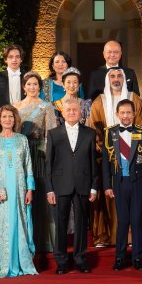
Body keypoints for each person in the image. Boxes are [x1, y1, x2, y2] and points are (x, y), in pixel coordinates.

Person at [0, 105, 37, 278]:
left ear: (15, 119)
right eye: (4, 117)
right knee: (1, 225)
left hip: (19, 191)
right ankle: (2, 262)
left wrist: (30, 189)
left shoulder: (22, 140)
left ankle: (20, 262)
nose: (7, 120)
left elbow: (28, 166)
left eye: (10, 116)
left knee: (19, 223)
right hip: (0, 191)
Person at [45, 97, 98, 273]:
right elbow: (49, 163)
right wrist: (49, 189)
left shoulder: (90, 133)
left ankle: (80, 259)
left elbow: (93, 162)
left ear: (81, 112)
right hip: (60, 184)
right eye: (68, 110)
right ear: (63, 113)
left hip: (83, 184)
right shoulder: (53, 134)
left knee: (82, 223)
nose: (72, 112)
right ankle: (61, 261)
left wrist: (94, 186)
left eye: (75, 109)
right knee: (60, 224)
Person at [101, 98, 142, 271]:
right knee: (122, 221)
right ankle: (120, 258)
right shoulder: (110, 133)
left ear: (134, 114)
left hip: (138, 183)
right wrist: (107, 185)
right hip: (118, 183)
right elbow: (105, 163)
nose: (126, 116)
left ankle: (137, 258)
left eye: (129, 112)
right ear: (117, 114)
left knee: (136, 221)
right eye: (122, 112)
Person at [16, 72, 61, 253]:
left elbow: (51, 133)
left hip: (39, 155)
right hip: (20, 154)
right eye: (29, 84)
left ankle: (43, 240)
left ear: (40, 87)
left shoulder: (46, 106)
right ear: (24, 87)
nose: (32, 87)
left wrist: (49, 156)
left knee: (40, 195)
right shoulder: (16, 106)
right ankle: (23, 240)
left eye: (35, 84)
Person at [87, 67, 129, 247]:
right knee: (106, 195)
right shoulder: (99, 102)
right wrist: (105, 148)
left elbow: (141, 125)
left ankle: (129, 236)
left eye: (119, 76)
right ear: (107, 79)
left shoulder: (134, 99)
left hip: (130, 156)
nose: (116, 79)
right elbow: (94, 129)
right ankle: (104, 236)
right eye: (112, 76)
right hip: (106, 155)